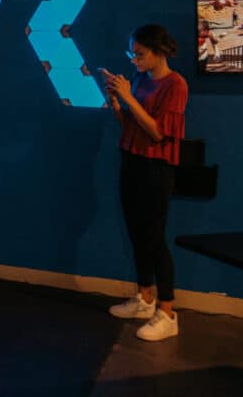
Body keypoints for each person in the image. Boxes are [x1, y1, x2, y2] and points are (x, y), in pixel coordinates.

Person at [99, 24, 189, 342]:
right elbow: (133, 126)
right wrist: (117, 105)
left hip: (156, 167)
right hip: (131, 160)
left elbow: (157, 132)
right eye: (132, 53)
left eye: (139, 53)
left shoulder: (175, 85)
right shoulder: (138, 80)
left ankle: (168, 312)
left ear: (158, 51)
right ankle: (145, 298)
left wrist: (128, 97)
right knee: (137, 233)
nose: (134, 59)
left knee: (154, 236)